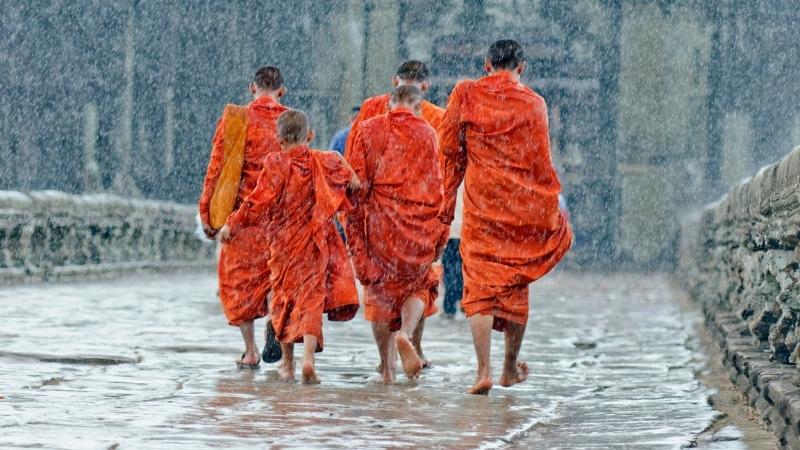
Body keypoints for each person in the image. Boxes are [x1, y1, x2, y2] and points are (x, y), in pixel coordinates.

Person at [438, 39, 573, 395]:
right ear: (521, 67)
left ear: (486, 65)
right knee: (514, 285)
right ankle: (509, 367)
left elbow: (448, 148)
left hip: (482, 203)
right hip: (519, 208)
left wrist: (447, 194)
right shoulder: (534, 104)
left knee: (479, 288)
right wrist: (547, 209)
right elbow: (540, 162)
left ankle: (482, 370)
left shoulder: (465, 94)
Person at [219, 109, 361, 384]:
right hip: (315, 243)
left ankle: (288, 364)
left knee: (284, 299)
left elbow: (256, 202)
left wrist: (231, 224)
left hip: (283, 245)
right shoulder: (326, 161)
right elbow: (354, 183)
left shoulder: (276, 163)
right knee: (311, 299)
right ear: (310, 135)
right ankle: (309, 358)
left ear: (279, 140)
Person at [345, 59, 444, 366]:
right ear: (424, 89)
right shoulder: (433, 123)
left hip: (380, 217)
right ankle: (413, 341)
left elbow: (352, 170)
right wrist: (441, 222)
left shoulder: (371, 115)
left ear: (393, 82)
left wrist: (353, 212)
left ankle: (386, 365)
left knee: (380, 292)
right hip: (420, 217)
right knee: (421, 283)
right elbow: (441, 174)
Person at [198, 66, 288, 370]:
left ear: (253, 88)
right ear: (281, 91)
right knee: (277, 276)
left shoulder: (236, 119)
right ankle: (276, 318)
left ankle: (250, 350)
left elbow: (217, 169)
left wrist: (207, 212)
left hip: (242, 219)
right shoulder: (290, 122)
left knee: (239, 283)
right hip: (280, 218)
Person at [441, 185, 464, 318]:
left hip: (450, 231)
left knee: (450, 269)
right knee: (462, 269)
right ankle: (463, 301)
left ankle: (450, 307)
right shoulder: (471, 175)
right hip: (466, 231)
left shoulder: (449, 177)